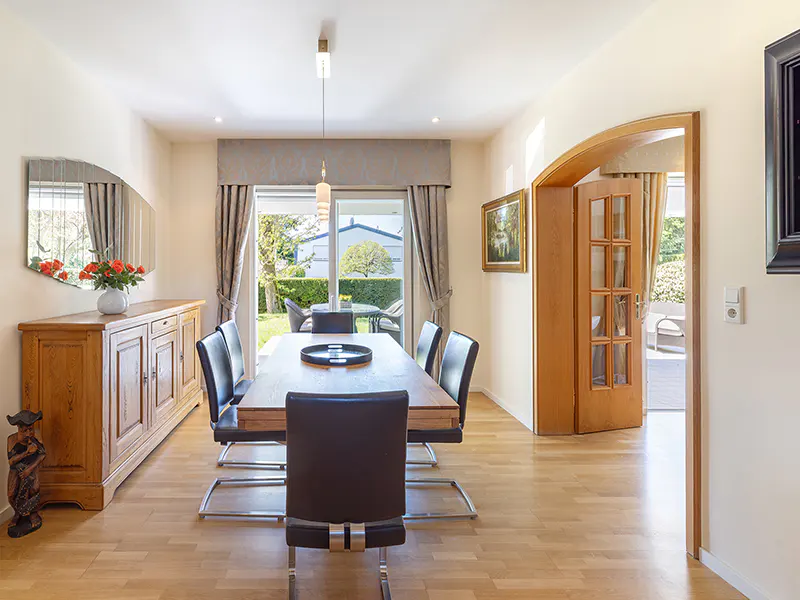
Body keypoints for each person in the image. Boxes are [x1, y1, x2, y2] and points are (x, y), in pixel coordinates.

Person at [6, 410, 45, 538]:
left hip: (31, 467)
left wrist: (30, 469)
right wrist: (26, 453)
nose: (28, 434)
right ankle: (18, 513)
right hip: (15, 469)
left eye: (30, 429)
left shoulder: (36, 437)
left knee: (34, 488)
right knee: (12, 493)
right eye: (24, 431)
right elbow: (11, 461)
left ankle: (33, 513)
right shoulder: (12, 440)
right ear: (18, 429)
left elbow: (42, 455)